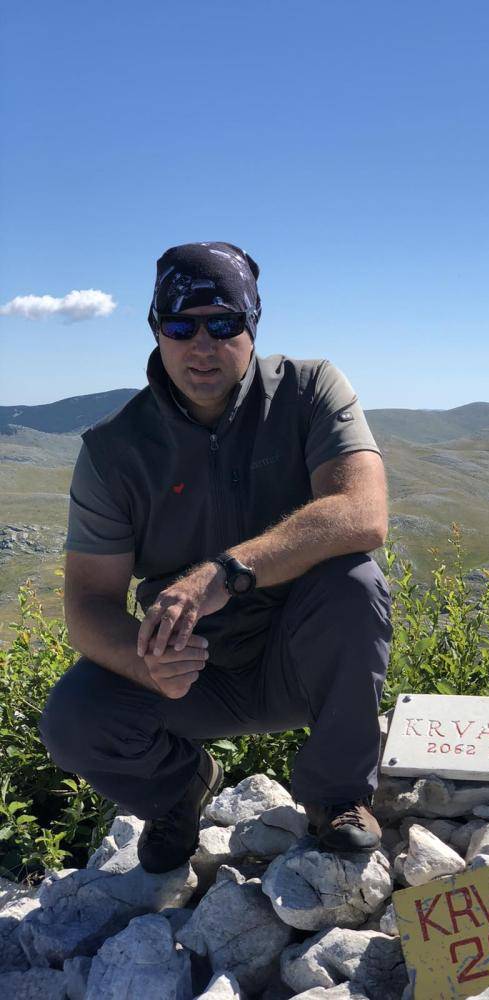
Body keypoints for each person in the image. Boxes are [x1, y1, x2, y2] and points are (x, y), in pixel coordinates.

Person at [39, 241, 392, 873]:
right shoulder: (113, 449)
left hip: (300, 658)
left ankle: (339, 796)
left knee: (354, 581)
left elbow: (362, 513)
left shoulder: (311, 389)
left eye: (224, 324)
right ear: (156, 330)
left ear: (253, 325)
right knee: (74, 717)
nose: (202, 345)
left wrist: (223, 573)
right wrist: (146, 665)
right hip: (190, 673)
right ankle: (178, 790)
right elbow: (88, 604)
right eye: (181, 326)